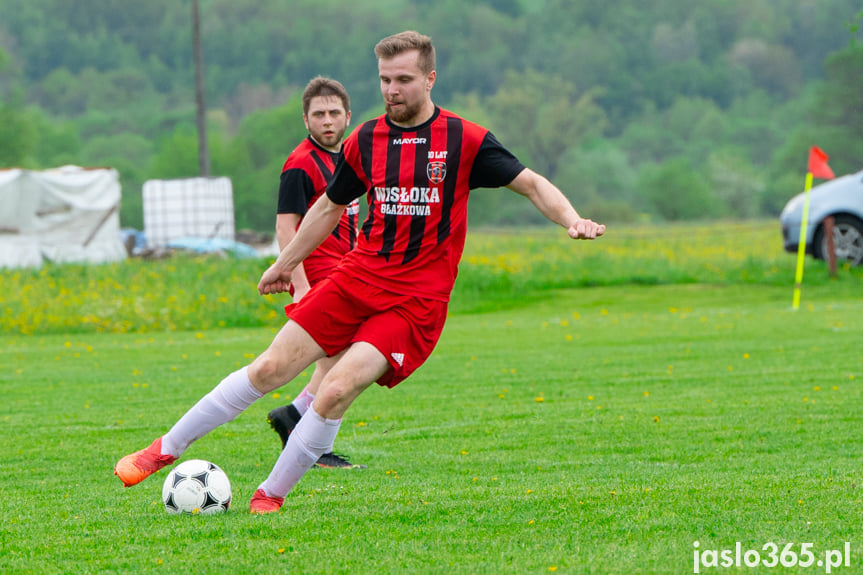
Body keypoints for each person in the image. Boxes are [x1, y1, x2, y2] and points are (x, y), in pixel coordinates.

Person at [114, 30, 605, 514]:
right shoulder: (367, 139)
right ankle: (163, 450)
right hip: (355, 279)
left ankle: (270, 495)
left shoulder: (463, 139)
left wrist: (572, 220)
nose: (392, 90)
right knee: (269, 368)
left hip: (414, 302)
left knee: (335, 389)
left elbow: (532, 184)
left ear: (430, 79)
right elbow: (328, 208)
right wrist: (284, 265)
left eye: (404, 79)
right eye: (385, 80)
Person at [267, 76, 364, 469]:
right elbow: (285, 226)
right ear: (305, 120)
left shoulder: (345, 158)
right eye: (318, 114)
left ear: (347, 117)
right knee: (346, 360)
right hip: (320, 271)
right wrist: (299, 284)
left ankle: (296, 416)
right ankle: (313, 442)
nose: (327, 121)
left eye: (334, 113)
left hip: (346, 268)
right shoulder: (300, 163)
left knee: (343, 359)